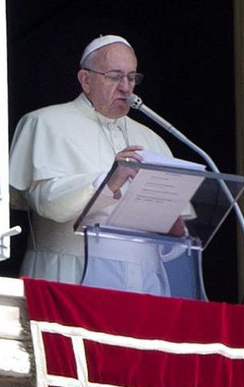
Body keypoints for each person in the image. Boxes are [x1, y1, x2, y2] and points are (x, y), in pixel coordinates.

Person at [9, 35, 177, 293]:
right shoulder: (45, 123)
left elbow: (176, 229)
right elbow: (47, 202)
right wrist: (107, 181)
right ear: (85, 80)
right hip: (69, 277)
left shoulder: (153, 141)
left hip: (145, 285)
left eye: (131, 78)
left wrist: (178, 219)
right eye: (115, 76)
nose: (126, 87)